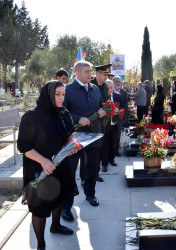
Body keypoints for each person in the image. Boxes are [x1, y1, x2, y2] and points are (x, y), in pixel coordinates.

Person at [17, 81, 76, 250]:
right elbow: (23, 146)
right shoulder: (31, 117)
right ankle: (41, 244)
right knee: (40, 208)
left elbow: (69, 137)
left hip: (60, 166)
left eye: (63, 94)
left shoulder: (64, 114)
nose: (61, 98)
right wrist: (43, 161)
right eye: (58, 94)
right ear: (48, 95)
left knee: (59, 198)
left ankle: (56, 226)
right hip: (39, 168)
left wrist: (71, 148)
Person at [62, 61, 106, 221]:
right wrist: (77, 118)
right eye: (87, 71)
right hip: (75, 138)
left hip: (94, 135)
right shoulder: (68, 90)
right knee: (70, 171)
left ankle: (90, 194)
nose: (90, 74)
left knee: (92, 168)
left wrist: (102, 112)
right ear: (77, 72)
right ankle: (66, 206)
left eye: (90, 71)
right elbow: (62, 112)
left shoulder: (95, 89)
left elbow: (101, 107)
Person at [90, 64, 112, 182]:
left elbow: (104, 102)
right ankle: (88, 175)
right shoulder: (90, 85)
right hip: (90, 123)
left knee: (99, 147)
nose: (106, 77)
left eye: (107, 74)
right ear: (98, 73)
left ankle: (96, 173)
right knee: (90, 152)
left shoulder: (104, 86)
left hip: (102, 122)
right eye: (104, 74)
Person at [101, 80, 124, 172]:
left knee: (114, 143)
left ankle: (111, 159)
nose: (110, 89)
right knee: (105, 144)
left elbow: (123, 107)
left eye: (111, 87)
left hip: (115, 123)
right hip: (105, 125)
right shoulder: (102, 97)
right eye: (108, 88)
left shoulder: (118, 96)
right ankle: (104, 164)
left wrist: (118, 110)